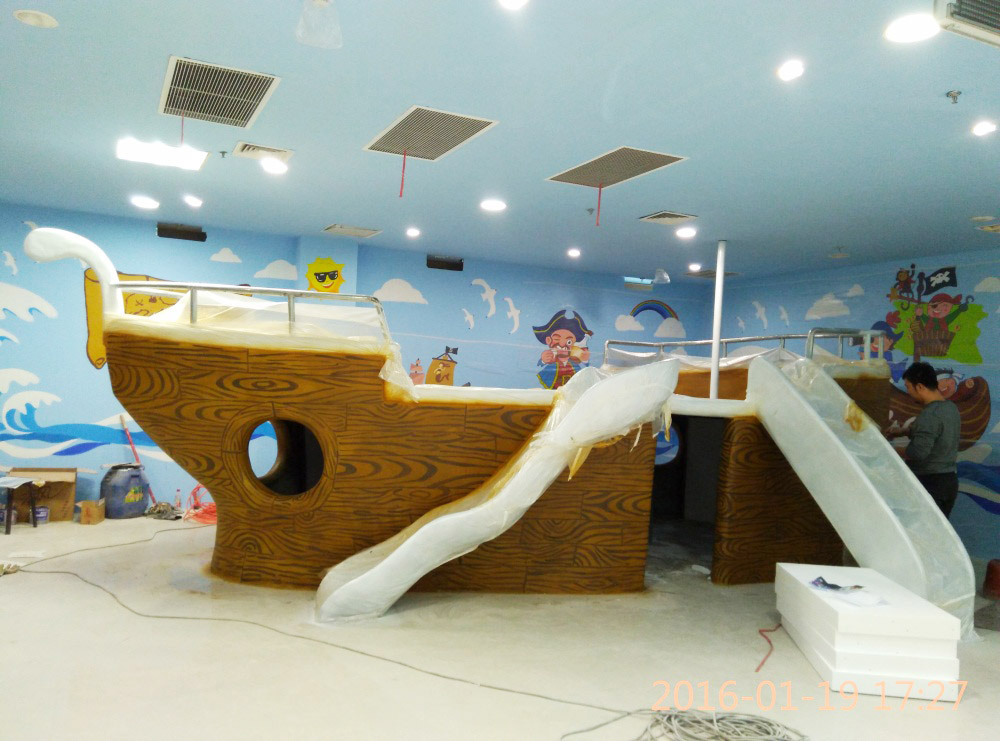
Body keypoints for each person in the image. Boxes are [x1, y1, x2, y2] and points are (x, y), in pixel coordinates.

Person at [901, 361, 961, 517]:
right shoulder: (951, 408)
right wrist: (904, 431)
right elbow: (938, 434)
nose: (908, 392)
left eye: (908, 387)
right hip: (949, 482)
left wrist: (888, 449)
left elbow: (918, 453)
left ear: (920, 387)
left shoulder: (929, 415)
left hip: (930, 483)